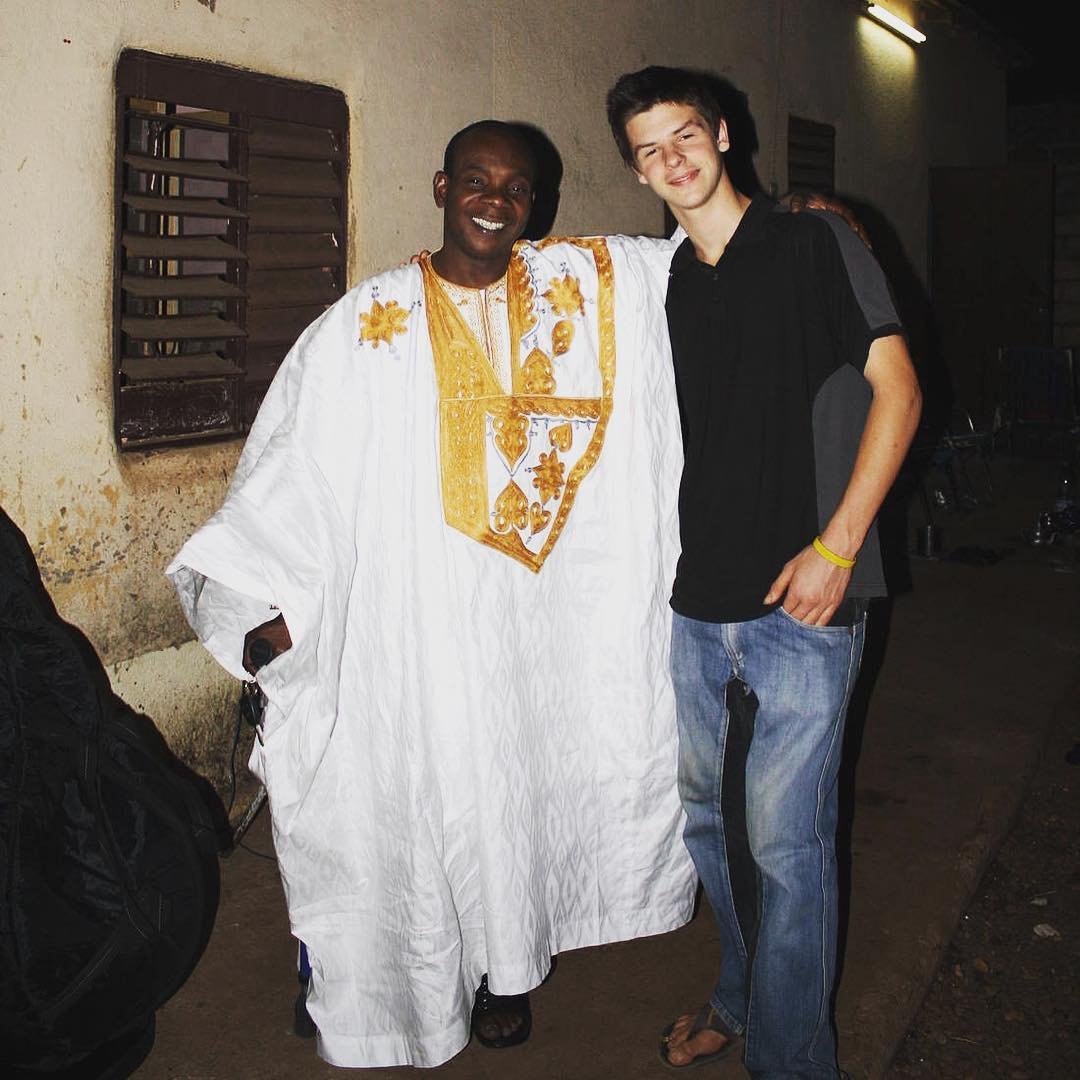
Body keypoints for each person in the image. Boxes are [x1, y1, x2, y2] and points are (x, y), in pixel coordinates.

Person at [167, 120, 696, 1069]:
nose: (497, 199)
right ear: (442, 185)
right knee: (394, 800)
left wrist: (799, 222)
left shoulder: (583, 291)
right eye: (479, 180)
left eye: (519, 187)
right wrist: (263, 605)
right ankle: (379, 985)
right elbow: (298, 467)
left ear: (539, 205)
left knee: (508, 799)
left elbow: (693, 260)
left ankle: (504, 972)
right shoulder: (369, 324)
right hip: (403, 626)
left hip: (533, 633)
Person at [605, 67, 922, 1077]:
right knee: (712, 833)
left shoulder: (809, 242)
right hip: (697, 604)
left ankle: (793, 1061)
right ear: (638, 169)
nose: (673, 159)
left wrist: (838, 548)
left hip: (804, 602)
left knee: (787, 853)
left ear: (725, 133)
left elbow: (899, 394)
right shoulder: (664, 281)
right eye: (650, 149)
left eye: (686, 134)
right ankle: (741, 1000)